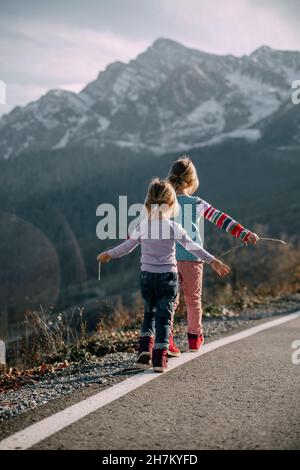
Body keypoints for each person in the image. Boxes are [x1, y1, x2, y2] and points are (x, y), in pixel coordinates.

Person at [97, 178, 230, 373]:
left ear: (148, 203)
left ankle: (144, 353)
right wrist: (213, 261)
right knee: (164, 318)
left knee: (149, 313)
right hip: (168, 278)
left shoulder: (143, 225)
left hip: (147, 277)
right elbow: (194, 248)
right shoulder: (174, 227)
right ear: (171, 204)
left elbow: (126, 247)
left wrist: (108, 254)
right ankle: (159, 360)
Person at [167, 156, 259, 355]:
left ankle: (167, 341)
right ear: (192, 182)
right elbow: (221, 219)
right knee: (193, 299)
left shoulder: (165, 203)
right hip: (192, 259)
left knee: (170, 301)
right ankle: (194, 338)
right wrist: (243, 233)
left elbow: (147, 225)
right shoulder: (196, 203)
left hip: (168, 259)